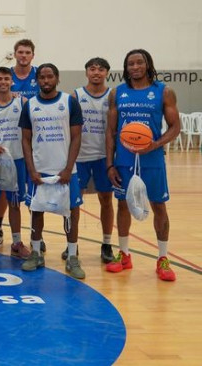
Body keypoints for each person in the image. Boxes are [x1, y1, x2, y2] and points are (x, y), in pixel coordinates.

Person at [105, 49, 180, 281]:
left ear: (148, 65)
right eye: (130, 64)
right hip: (124, 160)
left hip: (152, 159)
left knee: (159, 206)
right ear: (126, 68)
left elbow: (175, 127)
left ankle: (163, 258)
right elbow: (111, 131)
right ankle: (124, 254)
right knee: (123, 206)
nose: (135, 67)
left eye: (139, 62)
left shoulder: (163, 92)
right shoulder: (117, 93)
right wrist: (110, 165)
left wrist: (155, 144)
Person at [19, 63, 85, 279]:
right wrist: (31, 169)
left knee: (72, 213)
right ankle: (36, 253)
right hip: (40, 170)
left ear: (57, 78)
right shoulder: (30, 106)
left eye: (50, 77)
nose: (46, 81)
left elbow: (76, 137)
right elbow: (26, 140)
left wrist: (68, 168)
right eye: (42, 78)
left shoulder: (69, 102)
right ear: (37, 80)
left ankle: (73, 255)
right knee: (36, 211)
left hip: (66, 171)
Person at [0, 67, 30, 260]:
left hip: (16, 159)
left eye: (6, 79)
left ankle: (16, 242)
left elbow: (28, 132)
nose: (3, 82)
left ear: (12, 82)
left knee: (15, 203)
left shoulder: (22, 102)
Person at [69, 57, 115, 263]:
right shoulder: (76, 95)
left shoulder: (112, 95)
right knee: (73, 204)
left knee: (106, 200)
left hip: (104, 157)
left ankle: (106, 243)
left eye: (101, 69)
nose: (96, 73)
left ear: (107, 73)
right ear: (86, 72)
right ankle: (72, 245)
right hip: (79, 157)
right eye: (92, 69)